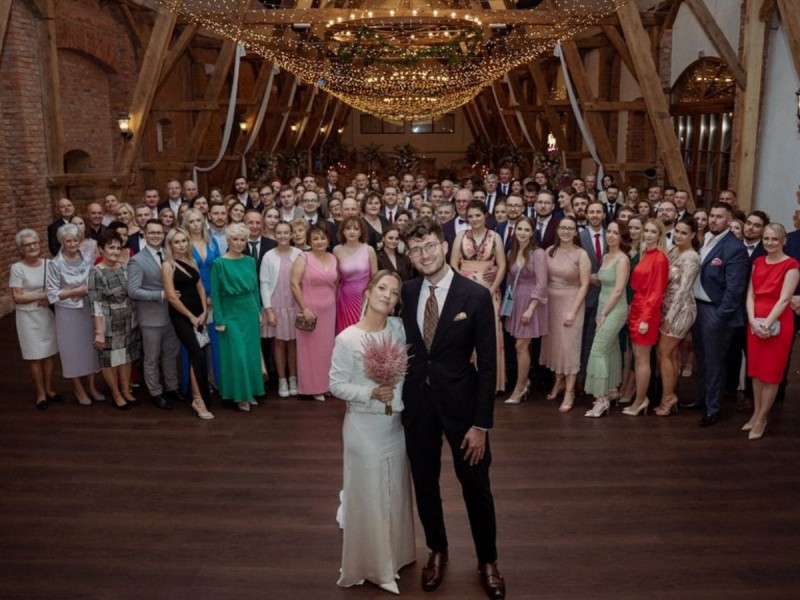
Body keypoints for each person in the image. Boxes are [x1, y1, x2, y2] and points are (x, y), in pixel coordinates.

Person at [400, 219, 505, 600]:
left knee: (476, 487)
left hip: (464, 408)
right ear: (409, 256)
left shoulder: (474, 295)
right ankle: (437, 550)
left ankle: (488, 561)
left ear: (445, 246)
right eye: (416, 249)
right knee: (425, 485)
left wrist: (481, 424)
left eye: (430, 245)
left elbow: (488, 365)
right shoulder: (406, 292)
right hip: (418, 407)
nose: (424, 254)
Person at [329, 270, 416, 594]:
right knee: (371, 495)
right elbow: (336, 385)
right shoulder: (347, 339)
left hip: (394, 425)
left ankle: (396, 555)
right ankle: (374, 566)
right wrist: (370, 393)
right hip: (363, 426)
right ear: (367, 291)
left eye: (393, 293)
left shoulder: (397, 328)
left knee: (394, 490)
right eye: (382, 288)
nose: (387, 295)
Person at [688, 202, 749, 427]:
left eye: (719, 217)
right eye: (711, 216)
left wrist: (721, 315)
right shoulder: (705, 240)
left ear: (729, 220)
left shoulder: (734, 247)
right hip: (699, 307)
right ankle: (701, 399)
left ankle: (713, 408)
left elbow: (735, 289)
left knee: (715, 362)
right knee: (702, 359)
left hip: (716, 311)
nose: (713, 220)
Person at [744, 223, 799, 440]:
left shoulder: (791, 265)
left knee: (771, 374)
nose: (769, 243)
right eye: (766, 238)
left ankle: (762, 418)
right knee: (756, 372)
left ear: (783, 241)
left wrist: (766, 323)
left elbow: (785, 299)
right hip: (755, 322)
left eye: (774, 239)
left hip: (778, 322)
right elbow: (750, 294)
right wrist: (752, 320)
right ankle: (756, 413)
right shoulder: (757, 262)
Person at [450, 200, 507, 393]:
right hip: (464, 292)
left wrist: (491, 290)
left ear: (485, 216)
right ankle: (465, 381)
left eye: (478, 215)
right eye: (470, 216)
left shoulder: (495, 237)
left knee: (489, 334)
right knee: (464, 332)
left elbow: (502, 266)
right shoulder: (461, 236)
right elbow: (453, 264)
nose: (474, 219)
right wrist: (462, 285)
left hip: (489, 291)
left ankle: (490, 382)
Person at [127, 219, 184, 410]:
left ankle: (172, 387)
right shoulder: (137, 260)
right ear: (144, 234)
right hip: (151, 318)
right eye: (152, 232)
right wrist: (161, 295)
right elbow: (133, 291)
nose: (156, 236)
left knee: (170, 354)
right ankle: (155, 392)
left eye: (159, 232)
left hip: (172, 315)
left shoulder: (169, 255)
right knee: (152, 358)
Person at [46, 223, 103, 405]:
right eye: (68, 241)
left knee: (90, 348)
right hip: (67, 312)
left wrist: (88, 289)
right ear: (61, 242)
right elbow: (52, 294)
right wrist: (76, 291)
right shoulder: (55, 264)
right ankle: (78, 388)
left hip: (88, 308)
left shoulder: (87, 257)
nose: (72, 244)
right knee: (71, 350)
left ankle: (92, 386)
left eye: (75, 240)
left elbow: (94, 278)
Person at [539, 216, 591, 413]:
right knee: (555, 346)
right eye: (563, 228)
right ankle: (558, 382)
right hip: (551, 305)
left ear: (576, 232)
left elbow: (585, 284)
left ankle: (570, 392)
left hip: (572, 303)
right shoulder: (549, 252)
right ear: (557, 230)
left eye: (570, 228)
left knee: (569, 348)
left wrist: (573, 311)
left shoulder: (581, 254)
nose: (566, 232)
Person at [211, 223, 265, 411]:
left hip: (249, 312)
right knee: (237, 355)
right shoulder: (218, 263)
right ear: (228, 240)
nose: (239, 243)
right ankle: (240, 395)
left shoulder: (250, 261)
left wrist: (258, 311)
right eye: (235, 239)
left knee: (251, 355)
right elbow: (215, 295)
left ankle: (251, 391)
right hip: (230, 313)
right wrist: (219, 320)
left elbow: (255, 289)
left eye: (243, 240)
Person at [163, 228, 214, 420]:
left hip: (199, 314)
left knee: (199, 354)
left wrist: (204, 311)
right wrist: (191, 316)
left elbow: (200, 288)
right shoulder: (168, 265)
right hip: (181, 316)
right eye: (177, 242)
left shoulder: (191, 261)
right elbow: (171, 297)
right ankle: (198, 400)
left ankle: (199, 397)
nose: (181, 245)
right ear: (170, 245)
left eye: (184, 241)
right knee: (197, 354)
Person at [10, 229, 62, 410]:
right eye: (27, 245)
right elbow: (17, 297)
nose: (32, 247)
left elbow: (57, 288)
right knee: (34, 356)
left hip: (46, 314)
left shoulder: (49, 264)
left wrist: (47, 296)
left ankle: (49, 389)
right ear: (21, 249)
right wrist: (42, 295)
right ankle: (40, 394)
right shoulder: (17, 268)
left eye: (35, 243)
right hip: (27, 317)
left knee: (48, 354)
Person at [584, 221, 631, 417]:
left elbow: (618, 290)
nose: (610, 235)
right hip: (603, 306)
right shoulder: (605, 256)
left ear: (622, 236)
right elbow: (603, 281)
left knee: (598, 349)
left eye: (615, 233)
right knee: (610, 348)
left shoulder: (623, 259)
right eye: (609, 231)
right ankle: (612, 389)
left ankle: (601, 399)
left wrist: (603, 314)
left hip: (615, 309)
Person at [88, 231, 140, 410]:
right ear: (101, 249)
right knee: (109, 360)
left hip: (128, 321)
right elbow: (95, 304)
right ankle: (116, 393)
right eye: (111, 247)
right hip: (108, 324)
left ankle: (125, 390)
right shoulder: (96, 272)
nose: (116, 251)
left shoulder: (124, 268)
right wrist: (99, 332)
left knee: (126, 357)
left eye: (118, 248)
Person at [623, 218, 669, 417]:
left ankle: (641, 400)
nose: (649, 235)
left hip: (647, 312)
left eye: (653, 232)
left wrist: (645, 319)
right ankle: (640, 399)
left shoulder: (659, 258)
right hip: (637, 307)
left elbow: (656, 292)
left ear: (660, 235)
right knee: (637, 356)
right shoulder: (645, 254)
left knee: (642, 359)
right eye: (647, 231)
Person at [654, 219, 701, 416]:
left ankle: (667, 398)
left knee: (663, 353)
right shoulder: (673, 251)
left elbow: (683, 290)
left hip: (681, 311)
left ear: (693, 235)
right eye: (677, 231)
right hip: (667, 308)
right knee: (671, 354)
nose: (679, 236)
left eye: (684, 233)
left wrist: (670, 317)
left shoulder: (691, 258)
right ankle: (670, 395)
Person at [503, 217, 548, 405]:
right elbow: (509, 280)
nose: (522, 232)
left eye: (526, 229)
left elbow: (542, 283)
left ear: (532, 233)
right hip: (516, 302)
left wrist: (530, 308)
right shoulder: (511, 252)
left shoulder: (538, 253)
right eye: (519, 229)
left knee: (521, 346)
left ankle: (519, 388)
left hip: (532, 303)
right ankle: (525, 382)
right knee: (521, 346)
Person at [291, 225, 338, 401]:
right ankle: (313, 388)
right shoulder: (303, 258)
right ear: (309, 241)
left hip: (329, 311)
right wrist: (304, 308)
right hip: (309, 311)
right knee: (310, 351)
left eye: (323, 238)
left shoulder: (333, 258)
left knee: (327, 349)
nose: (319, 241)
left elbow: (335, 284)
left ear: (328, 240)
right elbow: (294, 284)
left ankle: (326, 385)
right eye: (315, 238)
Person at [260, 221, 303, 398]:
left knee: (293, 343)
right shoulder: (268, 256)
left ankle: (293, 378)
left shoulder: (299, 254)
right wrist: (268, 309)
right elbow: (264, 283)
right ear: (274, 235)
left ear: (291, 235)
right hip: (276, 304)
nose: (283, 236)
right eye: (279, 233)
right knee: (278, 343)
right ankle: (282, 379)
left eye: (286, 232)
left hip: (294, 304)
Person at [334, 216, 378, 334]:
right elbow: (336, 279)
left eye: (356, 229)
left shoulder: (369, 250)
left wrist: (372, 298)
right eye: (348, 228)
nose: (352, 232)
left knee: (364, 332)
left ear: (361, 232)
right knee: (345, 332)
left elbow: (375, 278)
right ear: (343, 231)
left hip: (364, 297)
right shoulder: (337, 250)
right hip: (344, 298)